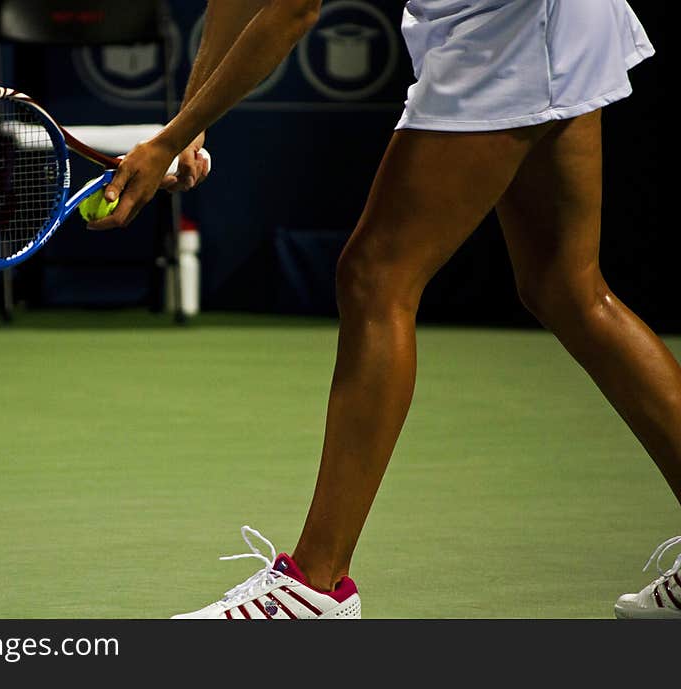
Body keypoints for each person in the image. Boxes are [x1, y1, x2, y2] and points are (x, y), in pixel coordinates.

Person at [88, 0, 681, 619]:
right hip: (545, 19)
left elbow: (292, 9)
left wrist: (168, 140)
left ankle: (315, 584)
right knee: (568, 289)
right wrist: (189, 125)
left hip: (511, 25)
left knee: (377, 278)